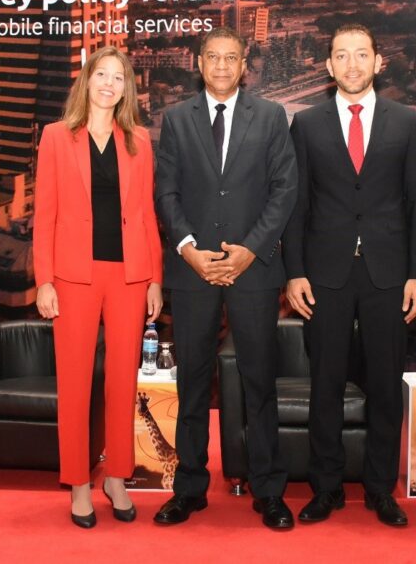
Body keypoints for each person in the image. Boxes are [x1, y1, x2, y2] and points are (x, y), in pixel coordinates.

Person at [283, 24, 416, 527]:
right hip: (324, 274)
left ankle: (379, 489)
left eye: (361, 54)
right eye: (341, 56)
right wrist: (295, 272)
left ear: (378, 61)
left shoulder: (406, 122)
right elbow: (297, 205)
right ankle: (325, 488)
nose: (352, 64)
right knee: (325, 384)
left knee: (386, 387)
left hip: (389, 273)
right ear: (328, 66)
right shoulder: (305, 125)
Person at [154, 27, 298, 530]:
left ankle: (269, 492)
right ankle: (189, 489)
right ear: (199, 63)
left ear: (244, 66)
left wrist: (249, 250)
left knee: (259, 383)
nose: (220, 66)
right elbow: (166, 193)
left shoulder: (272, 117)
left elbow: (284, 190)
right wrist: (190, 250)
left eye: (230, 58)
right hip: (192, 272)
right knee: (191, 383)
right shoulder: (175, 119)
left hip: (253, 271)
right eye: (212, 57)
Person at [33, 46, 163, 529]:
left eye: (118, 77)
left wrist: (154, 279)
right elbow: (43, 214)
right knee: (74, 383)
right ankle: (79, 484)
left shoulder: (139, 141)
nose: (109, 83)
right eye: (101, 75)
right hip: (73, 276)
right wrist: (43, 279)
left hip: (129, 276)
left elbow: (148, 216)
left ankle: (116, 478)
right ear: (86, 82)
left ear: (127, 87)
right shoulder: (55, 137)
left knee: (123, 382)